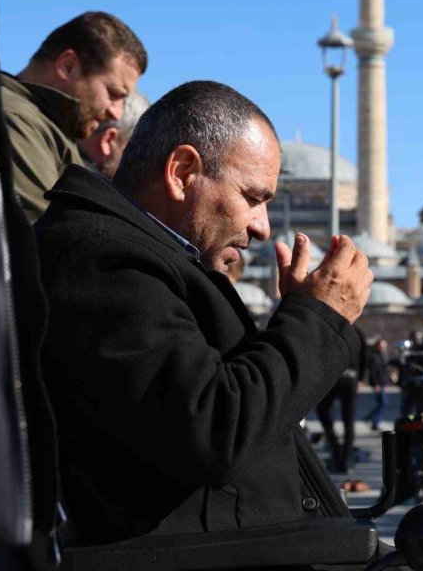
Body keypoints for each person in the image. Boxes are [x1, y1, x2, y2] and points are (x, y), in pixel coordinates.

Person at [35, 81, 373, 544]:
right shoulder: (99, 259)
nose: (262, 227)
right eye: (253, 197)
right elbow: (214, 430)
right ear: (182, 171)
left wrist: (300, 316)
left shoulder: (154, 258)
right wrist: (317, 317)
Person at [2, 12, 147, 222]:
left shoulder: (47, 126)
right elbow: (46, 238)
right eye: (114, 94)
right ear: (67, 65)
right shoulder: (16, 119)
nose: (116, 112)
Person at [77, 89, 150, 179]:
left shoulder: (59, 163)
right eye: (138, 150)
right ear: (108, 140)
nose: (142, 163)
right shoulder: (77, 188)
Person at [365, 338, 391, 431]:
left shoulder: (383, 356)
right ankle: (372, 418)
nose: (383, 347)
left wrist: (387, 382)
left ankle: (373, 422)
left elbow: (384, 371)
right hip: (378, 383)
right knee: (383, 403)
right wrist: (376, 384)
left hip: (383, 383)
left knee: (382, 403)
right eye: (382, 345)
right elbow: (373, 372)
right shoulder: (373, 356)